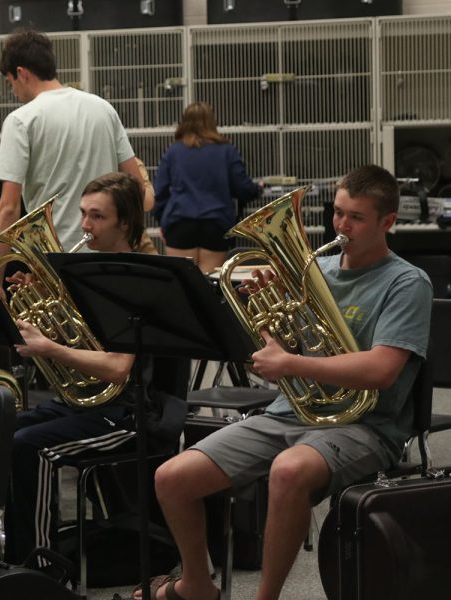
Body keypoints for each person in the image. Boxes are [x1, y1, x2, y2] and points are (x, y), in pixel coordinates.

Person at [143, 165, 432, 600]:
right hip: (290, 413)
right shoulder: (316, 269)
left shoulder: (407, 282)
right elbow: (291, 348)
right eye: (337, 213)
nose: (341, 226)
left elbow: (381, 370)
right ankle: (197, 585)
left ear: (387, 222)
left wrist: (291, 362)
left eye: (355, 217)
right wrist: (265, 326)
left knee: (289, 470)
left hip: (366, 425)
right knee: (171, 477)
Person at [5, 172, 186, 564]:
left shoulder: (136, 278)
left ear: (125, 222)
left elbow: (118, 368)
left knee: (30, 448)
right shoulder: (87, 271)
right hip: (84, 402)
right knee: (2, 431)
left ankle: (38, 566)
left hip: (126, 411)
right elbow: (81, 344)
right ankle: (10, 554)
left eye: (97, 217)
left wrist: (49, 347)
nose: (85, 226)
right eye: (84, 214)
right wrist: (38, 316)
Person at [0, 28, 154, 267]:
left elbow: (8, 207)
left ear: (21, 73)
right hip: (111, 254)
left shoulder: (21, 120)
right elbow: (137, 189)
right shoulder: (103, 109)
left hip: (56, 258)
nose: (13, 93)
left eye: (10, 83)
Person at [152, 101, 260, 274]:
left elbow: (160, 192)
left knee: (182, 281)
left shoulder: (174, 151)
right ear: (212, 121)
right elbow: (243, 188)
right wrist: (258, 188)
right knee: (208, 283)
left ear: (184, 122)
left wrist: (162, 220)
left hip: (180, 222)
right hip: (215, 224)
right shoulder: (226, 150)